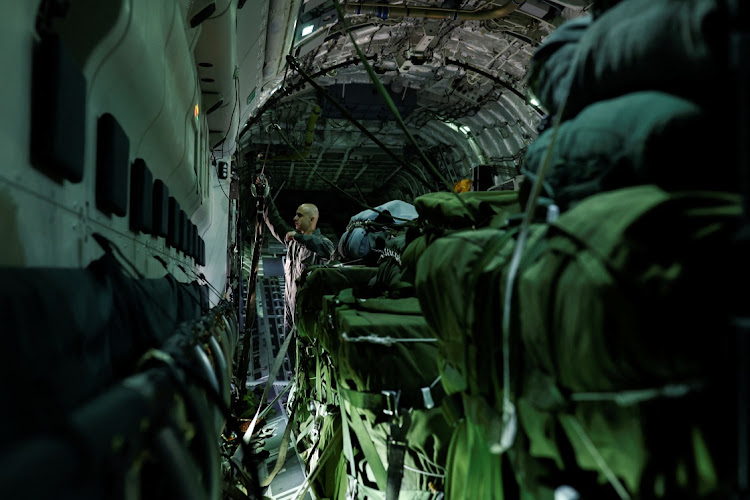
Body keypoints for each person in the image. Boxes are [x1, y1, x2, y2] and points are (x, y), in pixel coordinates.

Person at [258, 180, 335, 337]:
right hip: (290, 317)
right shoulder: (293, 244)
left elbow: (327, 250)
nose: (294, 218)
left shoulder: (322, 244)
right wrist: (265, 196)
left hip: (309, 321)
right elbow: (275, 222)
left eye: (299, 215)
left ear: (312, 220)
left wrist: (300, 238)